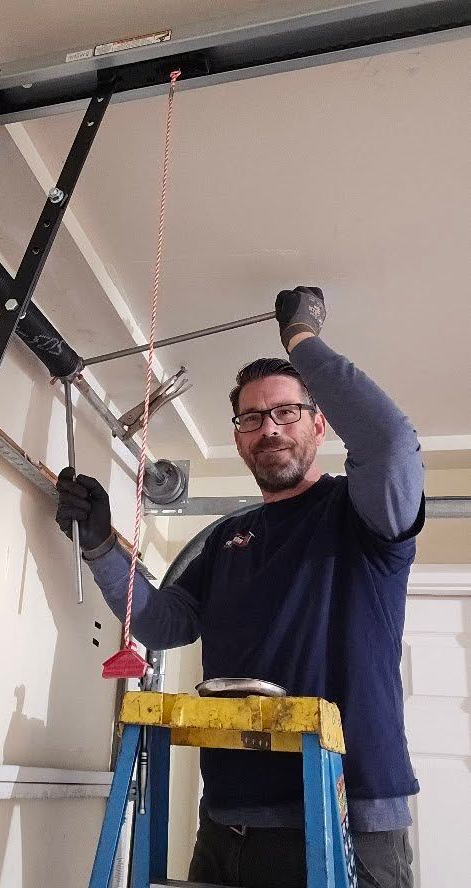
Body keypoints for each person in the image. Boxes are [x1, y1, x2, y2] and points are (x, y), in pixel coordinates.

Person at [56, 287, 423, 888]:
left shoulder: (362, 513)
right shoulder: (227, 537)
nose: (269, 429)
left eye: (286, 412)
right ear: (237, 436)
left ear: (318, 422)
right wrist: (101, 544)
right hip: (228, 820)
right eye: (252, 418)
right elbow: (160, 624)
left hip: (346, 815)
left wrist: (302, 341)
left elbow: (391, 443)